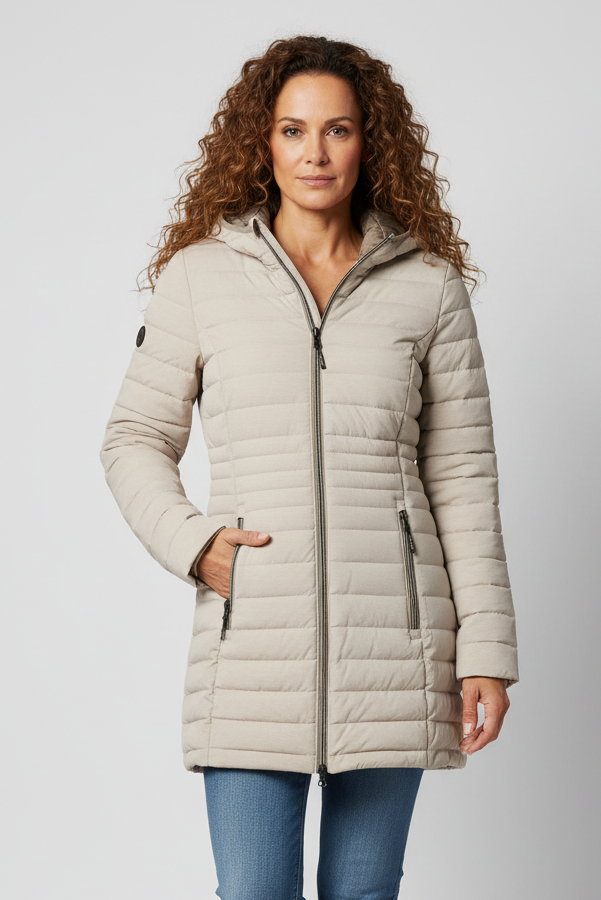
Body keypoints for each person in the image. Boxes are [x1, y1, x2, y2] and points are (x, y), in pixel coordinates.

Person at [100, 34, 519, 900]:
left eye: (337, 130)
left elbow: (463, 478)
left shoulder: (427, 287)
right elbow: (133, 438)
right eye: (293, 130)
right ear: (262, 142)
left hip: (396, 645)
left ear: (370, 142)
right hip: (252, 643)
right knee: (253, 891)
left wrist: (485, 649)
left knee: (363, 895)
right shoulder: (200, 279)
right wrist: (194, 544)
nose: (314, 153)